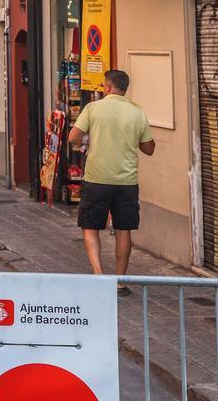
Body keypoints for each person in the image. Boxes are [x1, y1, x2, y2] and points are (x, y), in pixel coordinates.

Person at [67, 69, 154, 293]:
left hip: (97, 178)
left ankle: (99, 276)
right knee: (124, 230)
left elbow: (73, 137)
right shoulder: (138, 112)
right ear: (125, 89)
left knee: (90, 226)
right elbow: (149, 148)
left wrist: (88, 140)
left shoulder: (93, 108)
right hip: (126, 180)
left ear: (106, 87)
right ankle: (120, 281)